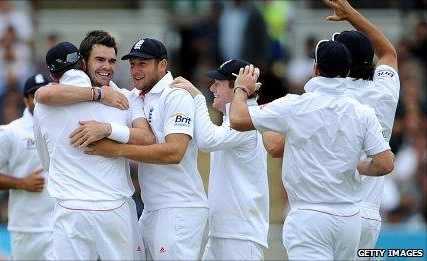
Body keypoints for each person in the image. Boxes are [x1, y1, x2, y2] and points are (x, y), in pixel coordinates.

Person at [229, 41, 395, 259]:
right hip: (350, 218)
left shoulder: (295, 105)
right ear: (346, 71)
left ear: (315, 69)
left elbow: (237, 119)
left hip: (308, 216)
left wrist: (242, 90)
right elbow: (385, 163)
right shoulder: (362, 112)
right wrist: (361, 167)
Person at [268, 0, 401, 252]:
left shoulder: (326, 103)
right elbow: (388, 53)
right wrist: (352, 14)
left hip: (332, 209)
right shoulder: (384, 90)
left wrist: (264, 112)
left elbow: (276, 147)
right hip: (369, 215)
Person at [83, 38, 208, 260]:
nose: (135, 70)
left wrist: (116, 150)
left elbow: (174, 152)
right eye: (132, 64)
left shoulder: (176, 96)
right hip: (152, 208)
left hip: (179, 206)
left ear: (162, 65)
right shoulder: (135, 96)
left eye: (143, 64)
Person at [33, 41, 154, 260]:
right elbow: (146, 138)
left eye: (111, 61)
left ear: (52, 75)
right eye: (100, 60)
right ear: (83, 63)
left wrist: (107, 130)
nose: (106, 66)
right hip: (113, 208)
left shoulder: (44, 103)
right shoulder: (122, 99)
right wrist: (99, 96)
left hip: (69, 210)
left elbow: (46, 161)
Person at [170, 59, 269, 260]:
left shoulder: (248, 118)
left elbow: (207, 141)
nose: (212, 87)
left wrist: (197, 97)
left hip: (241, 237)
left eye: (218, 83)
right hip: (224, 232)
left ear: (236, 89)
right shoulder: (232, 120)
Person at [0, 73, 54, 260]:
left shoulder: (62, 127)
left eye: (45, 93)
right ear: (26, 100)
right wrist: (23, 183)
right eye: (35, 95)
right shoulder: (11, 132)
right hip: (26, 228)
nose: (41, 99)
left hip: (59, 224)